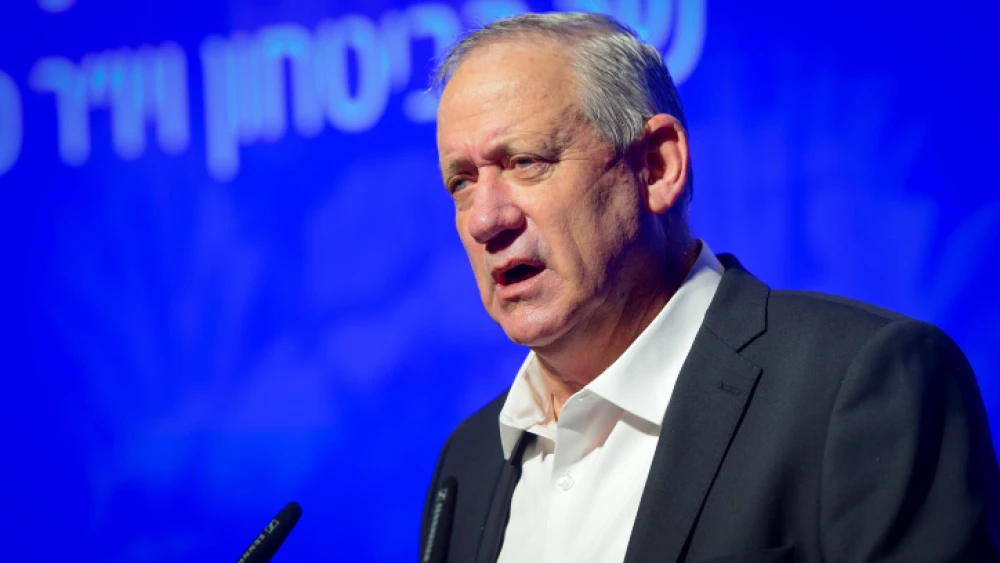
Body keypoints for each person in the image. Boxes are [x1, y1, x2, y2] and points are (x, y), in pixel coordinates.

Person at [421, 12, 1000, 563]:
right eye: (462, 182)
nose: (484, 220)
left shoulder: (863, 385)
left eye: (525, 162)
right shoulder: (467, 462)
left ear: (656, 166)